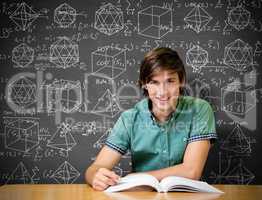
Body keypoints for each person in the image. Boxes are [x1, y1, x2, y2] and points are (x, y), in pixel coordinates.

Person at [85, 47, 217, 191]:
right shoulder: (129, 118)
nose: (162, 91)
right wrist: (95, 177)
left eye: (170, 81)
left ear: (181, 81)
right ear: (145, 84)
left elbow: (191, 171)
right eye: (154, 82)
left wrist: (134, 178)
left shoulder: (200, 109)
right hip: (141, 195)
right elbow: (94, 169)